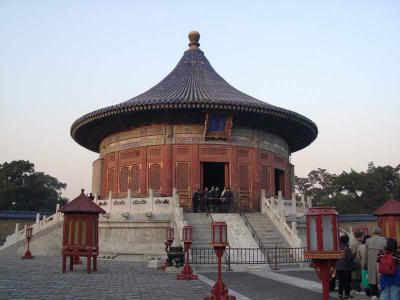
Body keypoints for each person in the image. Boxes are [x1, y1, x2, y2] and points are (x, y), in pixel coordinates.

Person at [366, 227, 387, 299]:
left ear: (373, 232)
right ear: (380, 232)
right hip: (381, 261)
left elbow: (366, 253)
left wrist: (366, 263)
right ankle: (383, 293)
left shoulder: (368, 241)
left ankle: (374, 294)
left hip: (371, 261)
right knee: (381, 277)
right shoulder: (384, 241)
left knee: (372, 278)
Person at [336, 235, 353, 299]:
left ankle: (340, 294)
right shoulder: (347, 248)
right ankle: (346, 294)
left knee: (340, 281)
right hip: (346, 268)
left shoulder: (337, 248)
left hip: (338, 267)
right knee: (347, 282)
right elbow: (349, 258)